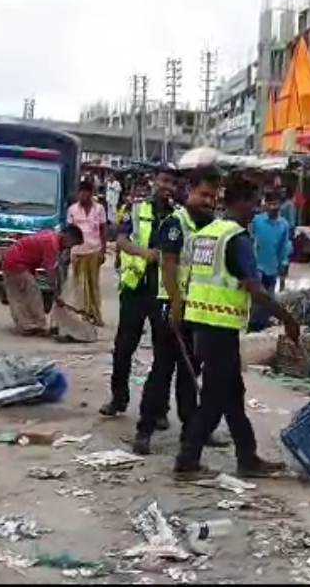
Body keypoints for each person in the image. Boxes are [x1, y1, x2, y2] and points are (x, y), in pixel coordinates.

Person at [174, 178, 301, 480]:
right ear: (240, 202)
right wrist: (287, 318)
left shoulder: (206, 235)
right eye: (253, 204)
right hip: (220, 327)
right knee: (216, 397)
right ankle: (187, 459)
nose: (255, 212)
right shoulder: (236, 238)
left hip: (201, 323)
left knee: (232, 394)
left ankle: (247, 456)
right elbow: (255, 289)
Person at [133, 169, 220, 455]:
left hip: (196, 310)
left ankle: (190, 433)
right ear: (189, 193)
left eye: (213, 196)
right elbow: (168, 265)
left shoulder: (211, 226)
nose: (209, 200)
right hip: (170, 307)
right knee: (162, 370)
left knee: (190, 373)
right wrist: (176, 303)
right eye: (203, 194)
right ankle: (144, 431)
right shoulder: (175, 223)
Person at [100, 167, 177, 419]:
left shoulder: (179, 215)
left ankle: (159, 409)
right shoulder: (135, 208)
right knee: (123, 348)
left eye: (172, 183)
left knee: (164, 353)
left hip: (163, 292)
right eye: (164, 180)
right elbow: (121, 241)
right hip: (135, 289)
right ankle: (118, 399)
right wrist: (146, 254)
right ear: (154, 181)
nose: (167, 187)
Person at [1, 226, 84, 335]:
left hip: (15, 260)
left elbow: (53, 267)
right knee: (30, 294)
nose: (70, 247)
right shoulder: (52, 243)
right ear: (69, 238)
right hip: (16, 263)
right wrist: (55, 293)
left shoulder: (52, 237)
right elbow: (50, 271)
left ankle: (28, 324)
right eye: (72, 244)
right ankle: (32, 325)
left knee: (20, 295)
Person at [250, 192, 292, 331]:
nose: (273, 207)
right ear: (265, 205)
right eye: (270, 203)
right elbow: (250, 239)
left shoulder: (284, 225)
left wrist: (283, 267)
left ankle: (263, 322)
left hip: (273, 266)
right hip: (257, 265)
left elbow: (284, 247)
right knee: (257, 295)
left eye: (275, 204)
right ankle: (253, 322)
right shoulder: (257, 221)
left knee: (270, 296)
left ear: (280, 205)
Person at [67, 178, 107, 326]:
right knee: (79, 285)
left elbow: (103, 230)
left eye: (86, 193)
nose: (83, 196)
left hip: (94, 250)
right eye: (80, 193)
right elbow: (69, 232)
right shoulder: (72, 209)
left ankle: (95, 314)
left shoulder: (99, 209)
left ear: (91, 194)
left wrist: (103, 250)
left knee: (93, 285)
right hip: (78, 252)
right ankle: (82, 313)